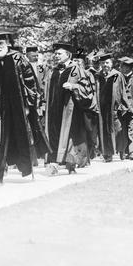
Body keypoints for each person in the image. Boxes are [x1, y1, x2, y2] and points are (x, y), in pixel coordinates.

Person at [0, 32, 50, 184]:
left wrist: (29, 104)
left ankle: (23, 168)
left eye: (1, 44)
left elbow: (31, 82)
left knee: (18, 137)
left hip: (16, 107)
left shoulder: (18, 58)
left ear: (7, 44)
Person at [44, 43, 94, 173]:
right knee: (54, 135)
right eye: (55, 54)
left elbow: (87, 88)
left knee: (69, 136)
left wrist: (74, 87)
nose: (56, 56)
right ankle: (54, 162)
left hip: (69, 111)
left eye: (59, 53)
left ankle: (70, 165)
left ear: (68, 55)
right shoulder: (53, 70)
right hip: (54, 109)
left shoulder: (76, 69)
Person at [98, 53, 133, 162]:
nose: (105, 65)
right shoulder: (98, 75)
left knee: (119, 130)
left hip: (115, 108)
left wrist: (128, 107)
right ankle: (108, 154)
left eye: (107, 62)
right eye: (103, 63)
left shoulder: (117, 75)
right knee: (105, 131)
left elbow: (125, 92)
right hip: (102, 109)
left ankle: (121, 150)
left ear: (112, 64)